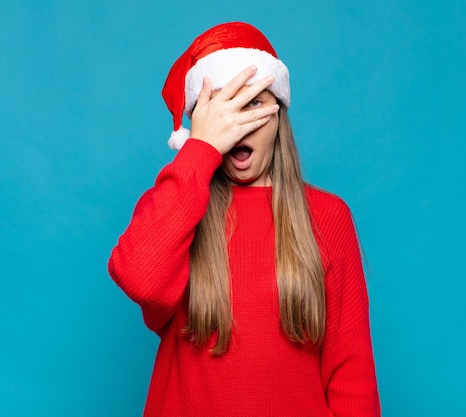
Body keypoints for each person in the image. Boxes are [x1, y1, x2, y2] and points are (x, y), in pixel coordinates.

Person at [108, 22, 380, 417]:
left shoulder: (327, 216)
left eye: (252, 102)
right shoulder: (174, 205)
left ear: (279, 112)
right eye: (222, 106)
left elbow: (351, 376)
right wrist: (199, 150)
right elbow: (140, 279)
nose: (237, 123)